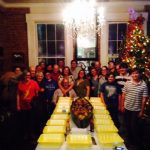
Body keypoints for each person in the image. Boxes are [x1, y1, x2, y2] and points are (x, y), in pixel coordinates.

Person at [121, 68, 148, 147]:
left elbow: (144, 99)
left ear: (139, 74)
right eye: (133, 73)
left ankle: (137, 143)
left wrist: (142, 111)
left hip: (136, 110)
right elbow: (123, 95)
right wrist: (122, 105)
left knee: (134, 127)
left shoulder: (143, 85)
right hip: (127, 108)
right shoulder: (127, 83)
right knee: (127, 125)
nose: (134, 75)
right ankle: (129, 142)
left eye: (136, 73)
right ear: (131, 75)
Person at [16, 71, 39, 140]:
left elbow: (37, 94)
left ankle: (32, 134)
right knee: (24, 121)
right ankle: (25, 134)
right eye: (26, 75)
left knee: (31, 121)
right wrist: (18, 105)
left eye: (29, 75)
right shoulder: (20, 83)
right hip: (23, 106)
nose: (28, 76)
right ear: (23, 76)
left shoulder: (34, 83)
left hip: (32, 106)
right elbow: (17, 95)